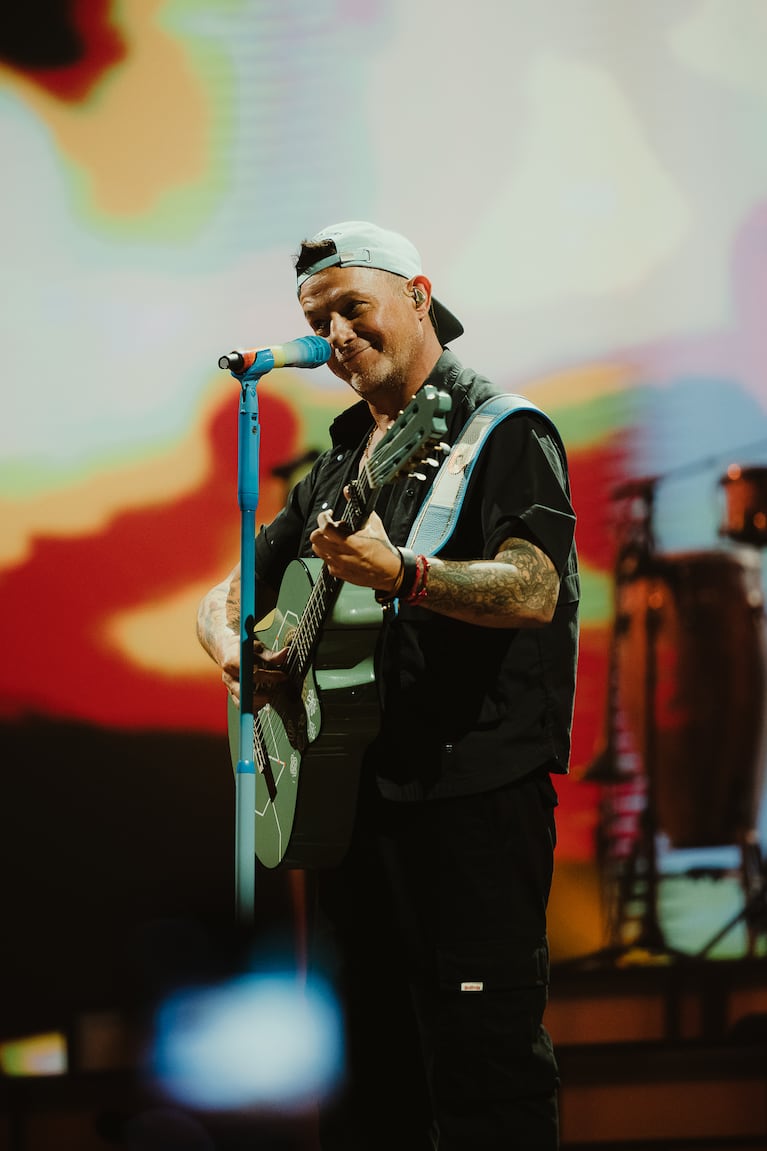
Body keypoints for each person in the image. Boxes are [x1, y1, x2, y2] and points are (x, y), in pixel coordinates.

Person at [197, 220, 579, 1150]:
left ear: (417, 293)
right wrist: (236, 651)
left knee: (484, 1073)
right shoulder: (337, 458)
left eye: (350, 308)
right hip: (350, 807)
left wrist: (405, 572)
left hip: (470, 800)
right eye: (317, 321)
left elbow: (533, 587)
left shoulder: (501, 430)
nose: (334, 338)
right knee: (366, 1083)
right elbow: (229, 591)